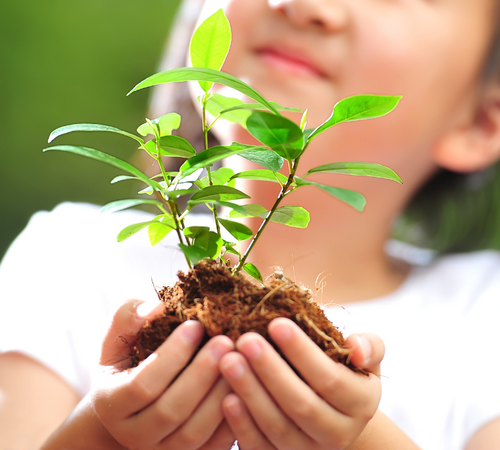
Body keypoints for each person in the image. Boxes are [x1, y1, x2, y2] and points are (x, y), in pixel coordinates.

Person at [1, 0, 500, 448]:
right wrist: (102, 436)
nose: (305, 6)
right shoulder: (68, 260)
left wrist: (362, 440)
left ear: (482, 121)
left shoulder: (484, 316)